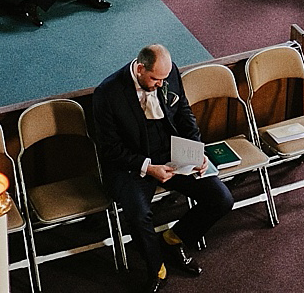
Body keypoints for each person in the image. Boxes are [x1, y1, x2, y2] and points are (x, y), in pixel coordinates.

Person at [92, 44, 233, 293]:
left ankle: (173, 239)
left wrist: (196, 150)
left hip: (171, 154)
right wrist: (148, 168)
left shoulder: (169, 73)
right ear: (139, 68)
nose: (160, 84)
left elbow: (184, 114)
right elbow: (110, 149)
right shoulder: (108, 93)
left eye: (163, 79)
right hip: (130, 163)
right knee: (138, 215)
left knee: (221, 198)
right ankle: (156, 267)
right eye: (155, 79)